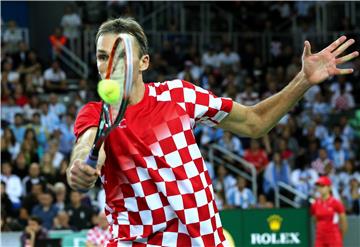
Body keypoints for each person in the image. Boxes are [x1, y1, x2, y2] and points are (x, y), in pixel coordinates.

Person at [67, 17, 358, 246]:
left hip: (205, 241)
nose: (109, 64)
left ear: (144, 62)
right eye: (102, 56)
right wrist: (80, 169)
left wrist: (303, 80)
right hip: (141, 242)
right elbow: (85, 151)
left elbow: (255, 122)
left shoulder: (179, 95)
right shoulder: (95, 114)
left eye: (119, 55)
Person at [311, 176, 348, 247]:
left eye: (322, 186)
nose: (320, 188)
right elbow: (314, 220)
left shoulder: (336, 203)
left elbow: (344, 222)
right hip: (320, 238)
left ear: (329, 187)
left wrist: (339, 238)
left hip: (333, 237)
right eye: (318, 186)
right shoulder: (315, 204)